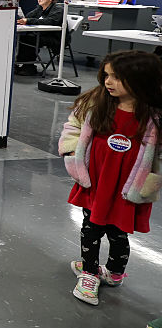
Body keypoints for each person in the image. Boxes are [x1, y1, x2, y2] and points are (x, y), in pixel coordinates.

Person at [57, 51, 162, 306]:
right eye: (106, 75)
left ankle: (115, 272)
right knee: (91, 227)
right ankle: (89, 272)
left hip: (127, 185)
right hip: (96, 179)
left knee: (119, 231)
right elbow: (73, 127)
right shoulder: (96, 103)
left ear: (140, 80)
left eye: (117, 77)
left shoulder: (153, 115)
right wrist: (71, 153)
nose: (108, 82)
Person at [15, 0, 64, 76]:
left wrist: (29, 20)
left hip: (54, 38)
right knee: (23, 38)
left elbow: (50, 21)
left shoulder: (58, 9)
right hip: (41, 35)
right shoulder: (40, 8)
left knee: (28, 39)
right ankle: (21, 64)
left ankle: (29, 67)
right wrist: (26, 19)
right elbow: (28, 16)